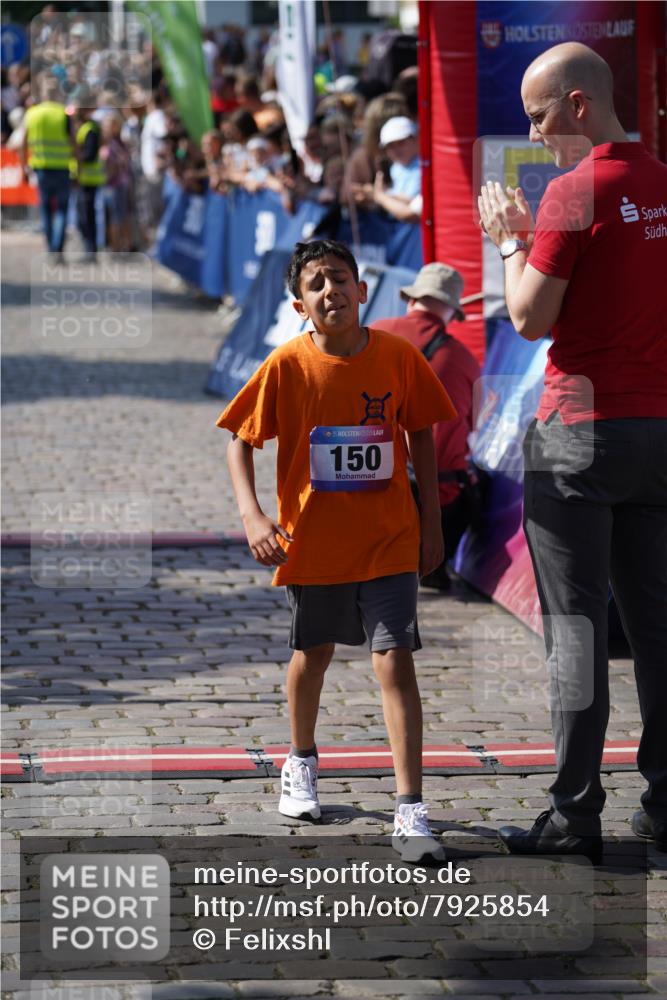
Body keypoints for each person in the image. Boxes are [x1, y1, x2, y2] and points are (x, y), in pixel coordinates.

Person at [478, 41, 667, 862]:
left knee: (577, 633)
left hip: (578, 433)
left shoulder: (570, 191)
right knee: (657, 630)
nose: (533, 132)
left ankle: (573, 812)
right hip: (657, 430)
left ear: (578, 105)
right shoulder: (661, 182)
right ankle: (664, 806)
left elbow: (527, 318)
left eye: (538, 115)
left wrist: (508, 241)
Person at [217, 239, 457, 863]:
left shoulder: (399, 357)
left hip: (389, 540)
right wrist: (253, 517)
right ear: (300, 305)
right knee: (313, 654)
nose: (332, 291)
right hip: (316, 543)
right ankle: (300, 759)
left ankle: (410, 810)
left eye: (340, 279)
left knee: (395, 661)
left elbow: (422, 433)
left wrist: (431, 522)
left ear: (363, 289)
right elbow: (239, 440)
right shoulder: (287, 365)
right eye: (317, 284)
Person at [375, 263, 482, 591]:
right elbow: (473, 427)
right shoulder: (464, 359)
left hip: (372, 489)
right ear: (452, 313)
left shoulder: (375, 335)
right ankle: (435, 563)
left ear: (412, 300)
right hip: (436, 499)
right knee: (476, 483)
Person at [21, 75, 74, 260]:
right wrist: (79, 167)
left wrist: (24, 166)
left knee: (45, 209)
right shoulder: (64, 114)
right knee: (61, 210)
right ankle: (57, 248)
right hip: (62, 168)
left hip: (42, 168)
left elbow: (23, 142)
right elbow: (73, 143)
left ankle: (51, 248)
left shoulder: (33, 113)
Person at [372, 115, 421, 223]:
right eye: (390, 146)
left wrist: (380, 195)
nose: (396, 150)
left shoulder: (422, 166)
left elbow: (411, 203)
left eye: (401, 143)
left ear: (415, 140)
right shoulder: (396, 167)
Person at [71, 104, 105, 261]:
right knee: (83, 217)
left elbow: (90, 155)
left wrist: (76, 157)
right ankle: (89, 249)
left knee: (86, 217)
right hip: (84, 179)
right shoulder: (86, 128)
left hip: (88, 180)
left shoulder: (89, 129)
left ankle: (90, 250)